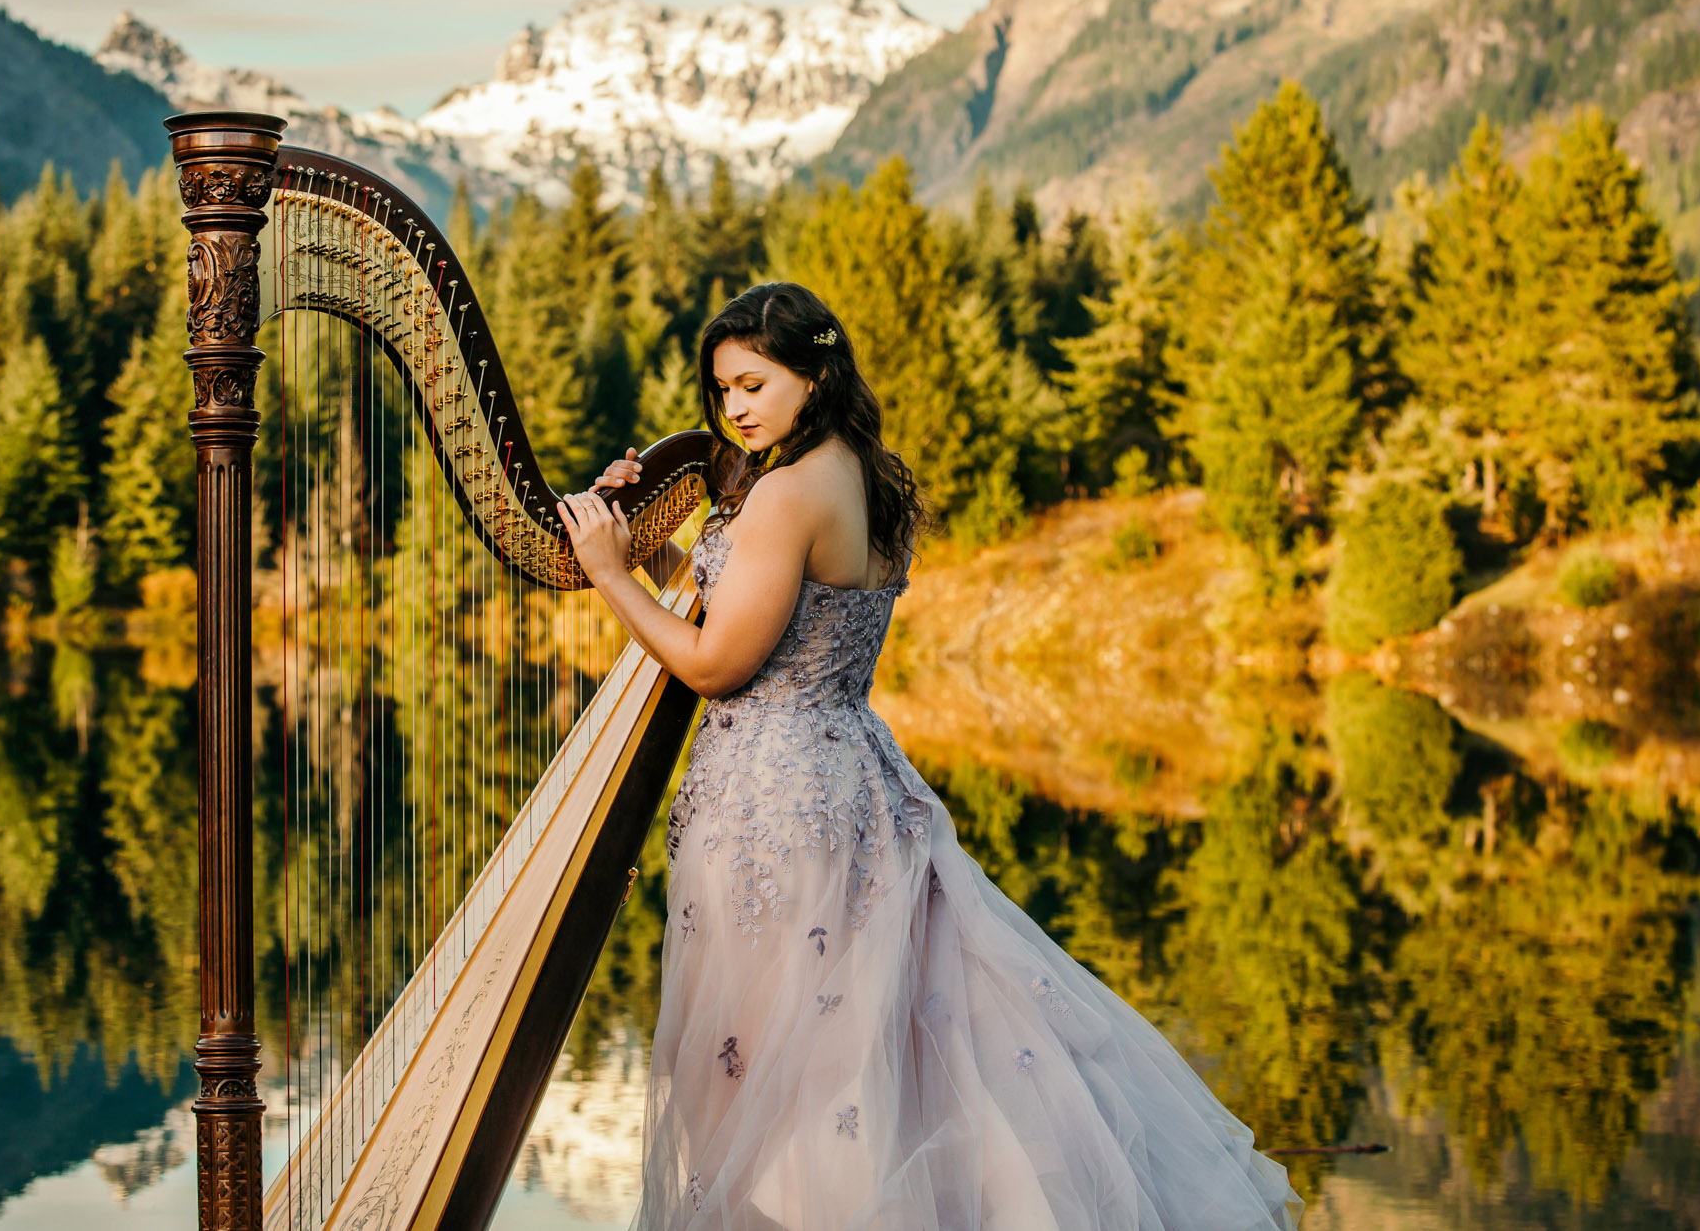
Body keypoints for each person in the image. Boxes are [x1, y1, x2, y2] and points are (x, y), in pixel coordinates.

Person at [555, 282, 1301, 1231]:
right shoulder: (859, 476)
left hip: (771, 814)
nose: (735, 407)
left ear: (815, 372)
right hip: (850, 785)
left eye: (753, 382)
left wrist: (612, 573)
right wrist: (649, 544)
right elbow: (758, 609)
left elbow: (714, 661)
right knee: (844, 1074)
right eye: (724, 391)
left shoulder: (784, 494)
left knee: (752, 1088)